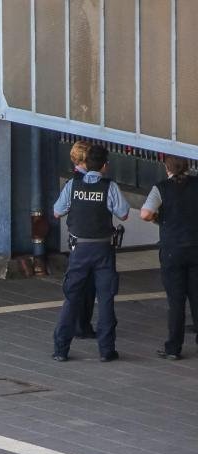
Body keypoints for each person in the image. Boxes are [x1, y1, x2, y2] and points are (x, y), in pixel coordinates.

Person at [52, 144, 129, 362]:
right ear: (104, 166)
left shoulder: (73, 185)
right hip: (103, 249)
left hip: (79, 250)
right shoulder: (109, 186)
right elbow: (123, 214)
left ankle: (61, 350)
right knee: (106, 299)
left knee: (71, 298)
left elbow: (57, 212)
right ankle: (106, 350)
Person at [140, 156, 198, 360]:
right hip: (196, 247)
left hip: (172, 250)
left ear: (167, 169)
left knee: (176, 301)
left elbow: (145, 214)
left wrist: (160, 219)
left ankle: (173, 347)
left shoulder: (161, 188)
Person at [69, 140, 97, 339]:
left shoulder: (72, 181)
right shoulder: (91, 182)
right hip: (91, 239)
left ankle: (79, 323)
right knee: (88, 285)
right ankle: (82, 324)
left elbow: (58, 210)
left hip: (76, 237)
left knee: (79, 281)